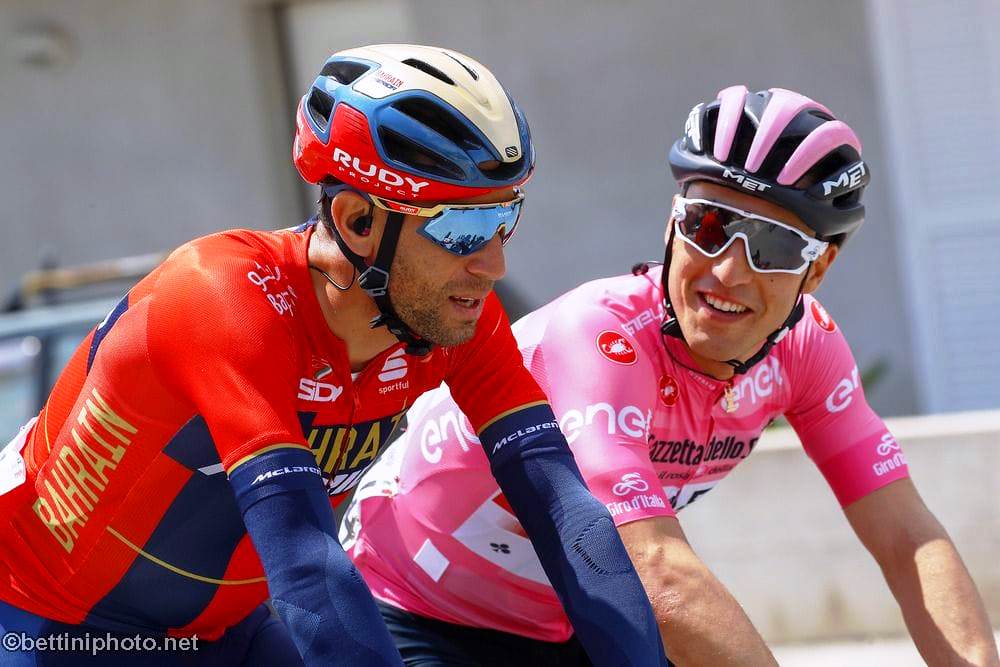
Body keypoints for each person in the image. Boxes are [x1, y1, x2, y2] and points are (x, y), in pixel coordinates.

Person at [0, 45, 667, 666]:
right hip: (48, 620)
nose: (493, 265)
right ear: (357, 221)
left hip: (225, 632)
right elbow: (307, 558)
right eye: (463, 229)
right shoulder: (222, 299)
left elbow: (566, 513)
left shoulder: (451, 312)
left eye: (503, 220)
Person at [342, 85, 1000, 666]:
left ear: (817, 270)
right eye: (708, 226)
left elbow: (908, 537)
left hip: (568, 618)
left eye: (772, 247)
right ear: (672, 224)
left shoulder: (807, 349)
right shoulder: (598, 338)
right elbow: (656, 570)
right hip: (410, 602)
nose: (727, 271)